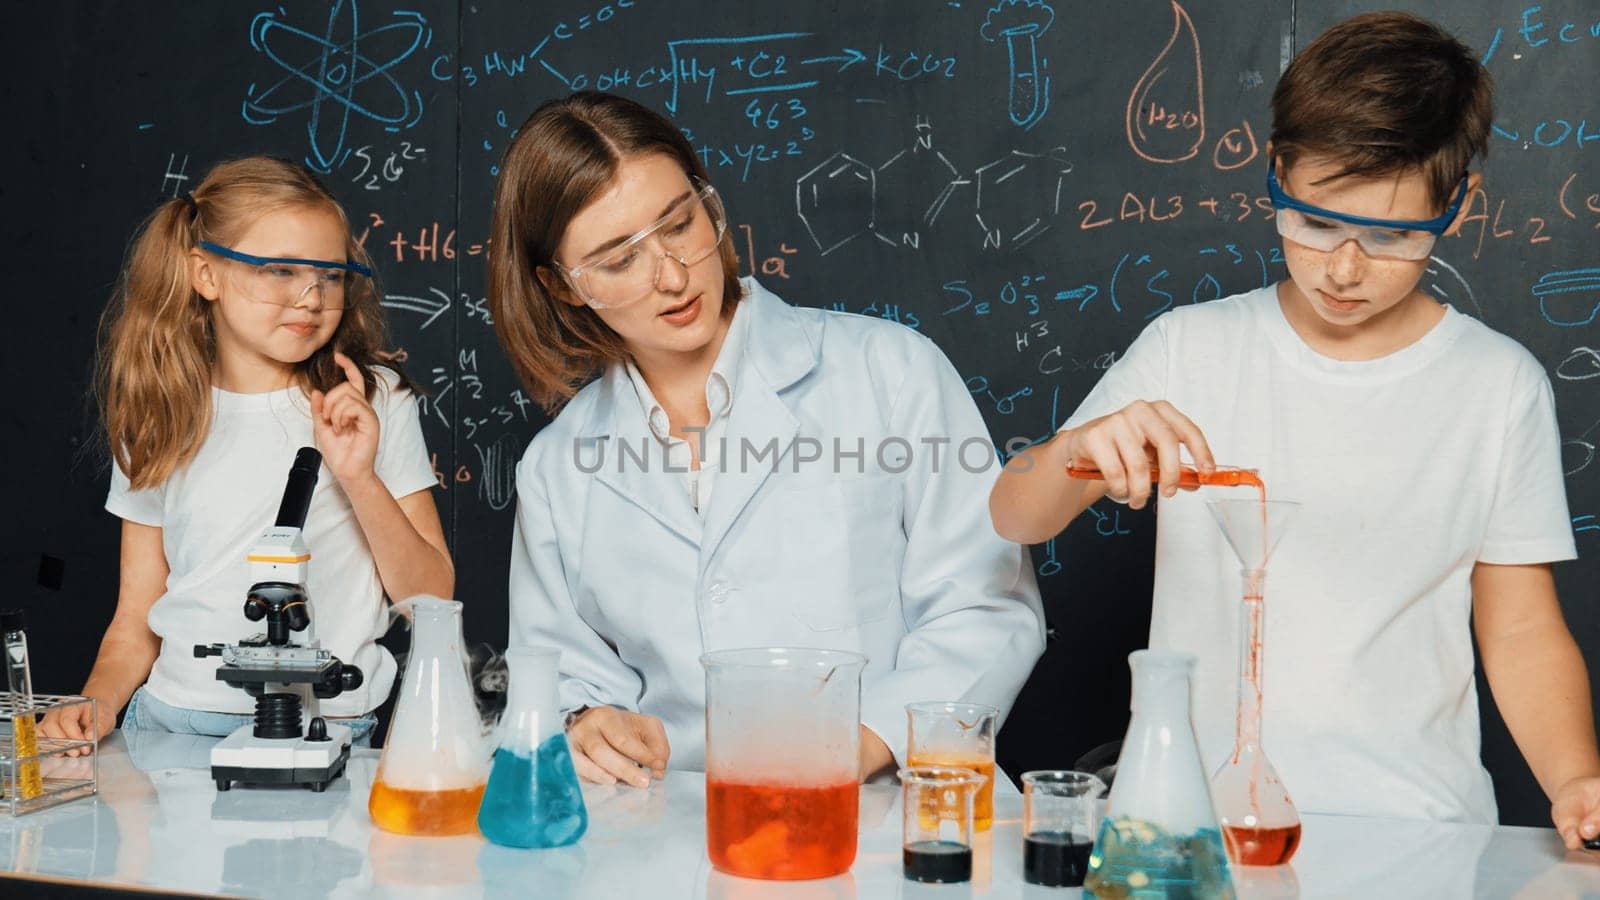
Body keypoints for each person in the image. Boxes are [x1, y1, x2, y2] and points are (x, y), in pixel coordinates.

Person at [991, 12, 1600, 848]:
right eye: (1314, 223)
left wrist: (1575, 779)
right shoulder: (1189, 350)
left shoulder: (1497, 388)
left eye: (1392, 235)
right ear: (1277, 172)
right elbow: (1016, 517)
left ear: (1457, 206)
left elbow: (1522, 627)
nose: (1345, 269)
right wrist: (1073, 451)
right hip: (1190, 820)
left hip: (1418, 829)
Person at [488, 91, 1045, 787]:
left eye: (679, 224)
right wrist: (584, 724)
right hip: (675, 829)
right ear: (563, 286)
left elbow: (986, 607)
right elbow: (564, 673)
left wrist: (856, 749)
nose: (670, 275)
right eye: (617, 260)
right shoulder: (559, 466)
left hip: (889, 813)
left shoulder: (890, 371)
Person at [41, 157, 453, 749]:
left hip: (324, 730)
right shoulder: (162, 410)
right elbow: (135, 620)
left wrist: (358, 477)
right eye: (279, 270)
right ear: (205, 274)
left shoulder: (372, 400)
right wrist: (94, 706)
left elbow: (431, 600)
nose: (311, 298)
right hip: (173, 725)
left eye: (331, 275)